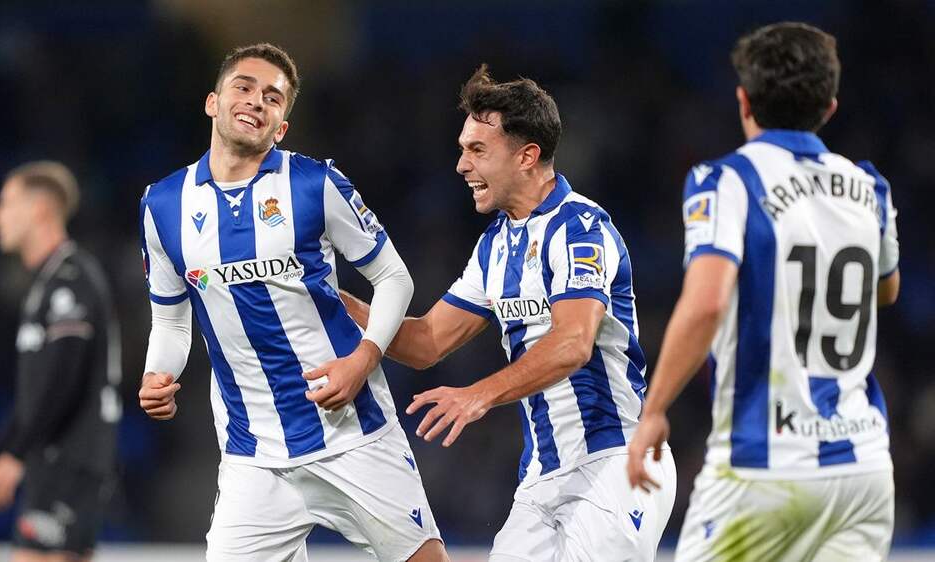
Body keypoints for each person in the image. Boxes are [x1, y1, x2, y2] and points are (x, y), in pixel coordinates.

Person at [341, 65, 677, 561]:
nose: (462, 165)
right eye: (463, 149)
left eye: (477, 150)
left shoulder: (581, 228)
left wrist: (478, 395)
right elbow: (426, 342)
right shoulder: (495, 245)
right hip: (542, 477)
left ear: (526, 156)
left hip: (615, 460)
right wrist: (332, 299)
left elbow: (573, 343)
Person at [137, 43, 447, 561]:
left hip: (352, 432)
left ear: (281, 127)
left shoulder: (314, 184)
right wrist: (157, 374)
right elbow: (171, 321)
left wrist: (362, 359)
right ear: (213, 102)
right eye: (244, 87)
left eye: (272, 97)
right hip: (253, 452)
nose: (256, 101)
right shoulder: (163, 204)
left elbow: (394, 277)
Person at [627, 22, 901, 561]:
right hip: (865, 470)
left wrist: (654, 409)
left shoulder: (726, 180)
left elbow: (706, 302)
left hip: (765, 469)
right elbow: (886, 290)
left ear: (744, 100)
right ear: (830, 108)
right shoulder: (870, 186)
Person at [0, 161, 122, 562]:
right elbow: (35, 398)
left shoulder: (72, 280)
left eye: (6, 203)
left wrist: (14, 456)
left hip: (71, 462)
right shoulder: (47, 283)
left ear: (40, 210)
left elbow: (63, 380)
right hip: (52, 463)